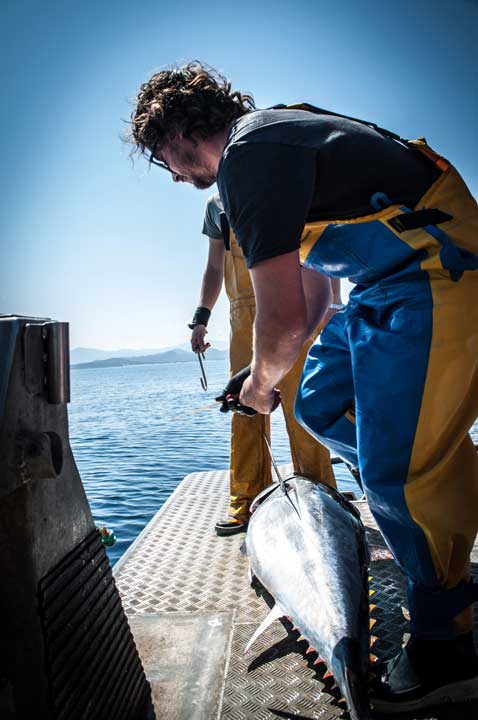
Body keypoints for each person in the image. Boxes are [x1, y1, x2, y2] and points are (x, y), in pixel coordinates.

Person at [128, 62, 478, 712]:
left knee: (398, 472)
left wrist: (261, 388)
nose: (173, 176)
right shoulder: (270, 142)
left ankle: (447, 645)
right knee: (318, 402)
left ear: (175, 135)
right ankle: (430, 483)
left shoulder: (249, 155)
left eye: (161, 161)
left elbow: (284, 319)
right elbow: (315, 300)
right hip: (385, 287)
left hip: (439, 271)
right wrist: (265, 375)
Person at [189, 193, 338, 535]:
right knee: (243, 409)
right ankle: (246, 503)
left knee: (304, 408)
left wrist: (334, 304)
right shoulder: (216, 205)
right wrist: (201, 316)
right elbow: (214, 266)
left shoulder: (285, 182)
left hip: (296, 309)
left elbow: (320, 247)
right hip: (243, 317)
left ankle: (322, 499)